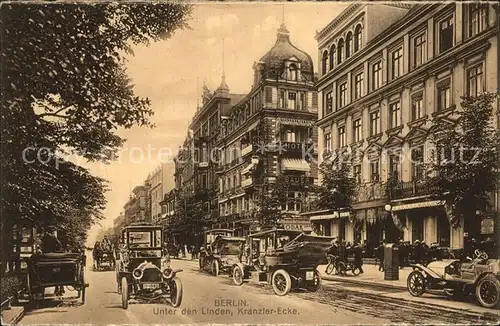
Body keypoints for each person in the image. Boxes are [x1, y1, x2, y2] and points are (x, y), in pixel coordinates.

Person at [40, 227, 65, 296]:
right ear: (51, 231)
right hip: (53, 255)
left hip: (45, 256)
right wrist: (57, 251)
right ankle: (59, 287)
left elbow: (41, 246)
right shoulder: (53, 237)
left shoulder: (43, 237)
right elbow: (59, 244)